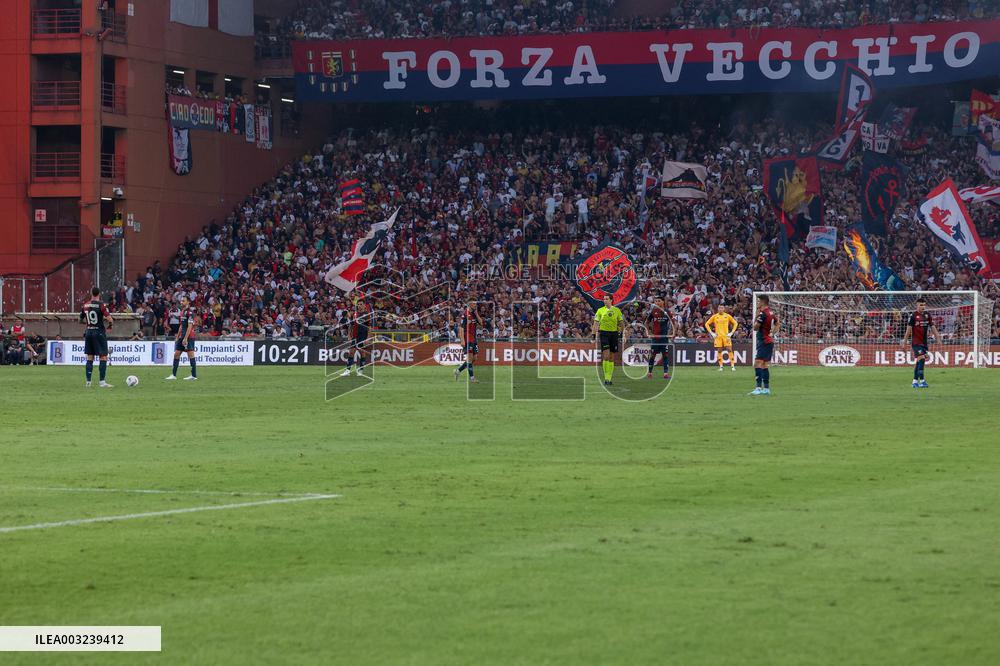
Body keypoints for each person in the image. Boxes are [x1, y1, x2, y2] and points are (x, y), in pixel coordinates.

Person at [79, 287, 114, 387]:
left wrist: (88, 323)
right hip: (99, 332)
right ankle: (102, 382)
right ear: (99, 294)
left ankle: (88, 382)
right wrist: (110, 326)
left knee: (90, 357)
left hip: (89, 332)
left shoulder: (85, 305)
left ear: (91, 293)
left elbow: (80, 319)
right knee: (103, 356)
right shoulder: (102, 305)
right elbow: (110, 319)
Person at [903, 297, 938, 388]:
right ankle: (922, 381)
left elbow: (932, 327)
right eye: (920, 305)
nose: (923, 307)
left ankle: (914, 381)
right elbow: (908, 329)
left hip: (924, 343)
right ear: (917, 305)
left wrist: (938, 337)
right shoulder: (913, 316)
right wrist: (904, 342)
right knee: (921, 359)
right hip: (916, 342)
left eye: (924, 305)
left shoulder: (927, 315)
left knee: (919, 361)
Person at [593, 294, 625, 386]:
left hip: (614, 334)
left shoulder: (617, 311)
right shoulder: (600, 310)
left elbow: (621, 323)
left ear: (611, 300)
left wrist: (622, 333)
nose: (605, 300)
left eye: (606, 299)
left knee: (611, 357)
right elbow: (595, 323)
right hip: (604, 334)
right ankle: (606, 377)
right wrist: (593, 334)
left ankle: (609, 378)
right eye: (604, 299)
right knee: (606, 356)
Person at [750, 295, 778, 396]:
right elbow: (778, 323)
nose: (758, 303)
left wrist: (756, 317)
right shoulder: (771, 312)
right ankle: (766, 389)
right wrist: (772, 333)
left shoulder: (762, 314)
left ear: (762, 302)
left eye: (758, 301)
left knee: (757, 364)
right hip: (769, 340)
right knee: (764, 365)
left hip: (764, 341)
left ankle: (758, 388)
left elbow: (755, 328)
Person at [166, 295, 198, 380]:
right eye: (181, 301)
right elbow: (182, 325)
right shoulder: (182, 311)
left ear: (188, 302)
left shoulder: (190, 313)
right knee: (176, 354)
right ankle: (173, 375)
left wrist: (185, 338)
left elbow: (190, 326)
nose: (181, 302)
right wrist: (178, 335)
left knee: (190, 354)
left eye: (183, 301)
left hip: (189, 337)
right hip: (182, 336)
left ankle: (193, 375)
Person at [341, 300, 370, 377]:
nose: (359, 306)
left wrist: (368, 338)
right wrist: (349, 336)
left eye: (361, 304)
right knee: (351, 352)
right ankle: (347, 370)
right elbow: (351, 325)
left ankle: (361, 370)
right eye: (358, 304)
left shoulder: (367, 315)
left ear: (364, 305)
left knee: (362, 353)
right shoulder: (355, 314)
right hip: (355, 336)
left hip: (363, 336)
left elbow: (369, 327)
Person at [455, 302, 483, 383]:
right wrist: (462, 340)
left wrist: (476, 313)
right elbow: (461, 328)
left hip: (474, 339)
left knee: (474, 358)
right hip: (467, 339)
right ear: (470, 305)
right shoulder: (465, 315)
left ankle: (458, 371)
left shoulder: (474, 314)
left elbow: (481, 323)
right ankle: (472, 378)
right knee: (470, 358)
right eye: (474, 304)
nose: (476, 306)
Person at [705, 304, 738, 371]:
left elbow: (735, 323)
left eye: (722, 308)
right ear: (718, 309)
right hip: (718, 337)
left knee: (729, 349)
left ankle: (732, 366)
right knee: (719, 350)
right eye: (719, 308)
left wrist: (731, 333)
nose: (720, 309)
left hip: (726, 336)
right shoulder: (715, 316)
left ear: (724, 309)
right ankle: (721, 366)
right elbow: (706, 324)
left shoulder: (727, 316)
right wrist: (712, 333)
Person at [646, 297, 672, 379]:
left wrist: (670, 333)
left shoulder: (667, 312)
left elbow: (674, 323)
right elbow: (646, 322)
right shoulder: (653, 311)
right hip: (655, 338)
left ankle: (665, 373)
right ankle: (649, 372)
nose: (657, 302)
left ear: (663, 302)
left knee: (665, 355)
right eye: (655, 301)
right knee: (652, 355)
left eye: (658, 301)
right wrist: (649, 332)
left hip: (664, 338)